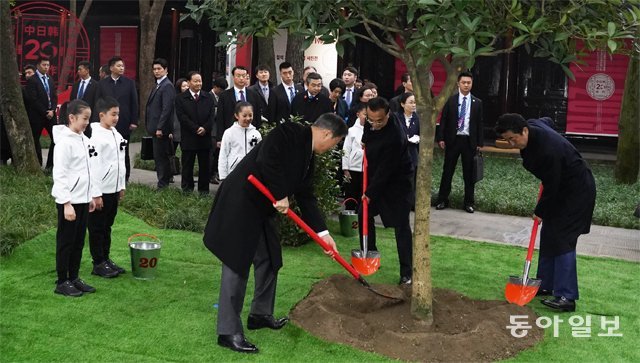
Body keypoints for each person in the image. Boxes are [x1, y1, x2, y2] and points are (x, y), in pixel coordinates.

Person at [203, 113, 347, 353]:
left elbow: (306, 195)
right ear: (326, 134)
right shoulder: (290, 132)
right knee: (236, 264)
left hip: (263, 210)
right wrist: (280, 193)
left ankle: (260, 314)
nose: (334, 147)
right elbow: (267, 158)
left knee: (270, 259)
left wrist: (323, 234)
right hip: (242, 202)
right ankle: (228, 332)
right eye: (335, 142)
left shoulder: (309, 157)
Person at [495, 114, 596, 312]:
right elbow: (547, 120)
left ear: (524, 131)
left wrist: (539, 211)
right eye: (507, 140)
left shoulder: (548, 151)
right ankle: (546, 284)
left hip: (576, 192)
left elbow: (552, 185)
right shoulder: (533, 125)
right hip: (561, 188)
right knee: (549, 235)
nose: (511, 143)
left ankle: (566, 296)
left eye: (512, 139)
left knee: (563, 239)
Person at [360, 97, 413, 285]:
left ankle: (407, 273)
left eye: (379, 120)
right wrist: (365, 141)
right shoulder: (371, 121)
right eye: (371, 119)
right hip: (377, 178)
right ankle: (370, 255)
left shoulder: (395, 137)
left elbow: (386, 170)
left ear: (388, 115)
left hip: (397, 183)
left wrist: (369, 192)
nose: (374, 124)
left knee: (401, 226)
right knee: (363, 214)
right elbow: (368, 132)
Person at [51, 99, 99, 297]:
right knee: (66, 241)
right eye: (84, 119)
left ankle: (74, 276)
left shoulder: (85, 140)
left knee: (79, 241)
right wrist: (66, 203)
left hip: (82, 200)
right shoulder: (64, 143)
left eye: (89, 118)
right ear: (71, 118)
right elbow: (60, 174)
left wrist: (90, 197)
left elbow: (88, 171)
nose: (87, 122)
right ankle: (62, 281)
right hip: (69, 202)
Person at [88, 96, 127, 278]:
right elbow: (93, 167)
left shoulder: (116, 133)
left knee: (107, 226)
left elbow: (121, 162)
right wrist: (96, 194)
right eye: (113, 114)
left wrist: (121, 185)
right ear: (102, 115)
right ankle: (98, 262)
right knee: (97, 227)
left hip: (113, 188)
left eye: (118, 114)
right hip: (100, 190)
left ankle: (106, 258)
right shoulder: (95, 135)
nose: (116, 118)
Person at [435, 71, 483, 213]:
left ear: (472, 84)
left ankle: (469, 203)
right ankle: (442, 200)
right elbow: (443, 120)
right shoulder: (451, 100)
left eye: (469, 83)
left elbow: (479, 123)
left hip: (469, 141)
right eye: (464, 82)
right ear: (458, 83)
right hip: (453, 140)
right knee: (447, 171)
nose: (466, 85)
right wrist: (441, 138)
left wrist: (480, 142)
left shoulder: (477, 102)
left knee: (469, 174)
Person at [95, 56, 139, 182]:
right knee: (105, 150)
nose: (121, 68)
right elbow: (97, 103)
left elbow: (134, 103)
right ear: (111, 68)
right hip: (105, 124)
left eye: (123, 66)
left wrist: (134, 121)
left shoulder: (129, 83)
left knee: (123, 150)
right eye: (119, 66)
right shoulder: (102, 84)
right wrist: (96, 121)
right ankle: (106, 174)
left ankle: (124, 177)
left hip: (124, 121)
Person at [175, 71, 215, 194]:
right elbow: (182, 117)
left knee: (204, 166)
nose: (199, 83)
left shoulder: (208, 97)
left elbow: (211, 116)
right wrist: (196, 128)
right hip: (189, 137)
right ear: (188, 82)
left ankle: (204, 190)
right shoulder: (181, 98)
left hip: (205, 137)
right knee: (187, 165)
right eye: (195, 81)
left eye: (200, 81)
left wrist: (205, 128)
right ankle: (187, 190)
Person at [145, 58, 176, 189]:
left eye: (159, 69)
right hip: (154, 127)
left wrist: (160, 127)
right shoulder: (158, 84)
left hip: (161, 129)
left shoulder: (167, 85)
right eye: (155, 69)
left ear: (166, 70)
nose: (156, 71)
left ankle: (163, 184)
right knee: (158, 156)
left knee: (161, 157)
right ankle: (163, 181)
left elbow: (167, 109)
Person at [215, 66, 263, 143]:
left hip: (250, 135)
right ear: (233, 77)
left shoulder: (254, 95)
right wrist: (219, 138)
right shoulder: (224, 95)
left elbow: (257, 116)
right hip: (230, 135)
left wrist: (257, 133)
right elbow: (220, 118)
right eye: (238, 76)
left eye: (244, 76)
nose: (241, 78)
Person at [25, 56, 57, 168]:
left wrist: (52, 110)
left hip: (51, 115)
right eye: (44, 65)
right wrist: (45, 112)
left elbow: (54, 96)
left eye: (48, 65)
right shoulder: (32, 80)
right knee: (35, 139)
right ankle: (37, 165)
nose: (46, 67)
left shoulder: (50, 79)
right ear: (38, 65)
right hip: (38, 115)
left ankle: (50, 165)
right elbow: (33, 100)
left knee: (56, 139)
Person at [218, 102, 262, 181]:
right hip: (234, 172)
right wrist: (223, 176)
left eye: (250, 115)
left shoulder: (256, 134)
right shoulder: (229, 133)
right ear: (236, 116)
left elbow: (260, 155)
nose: (248, 118)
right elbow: (223, 154)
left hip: (252, 174)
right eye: (244, 116)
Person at [341, 103, 366, 211]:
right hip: (353, 168)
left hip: (366, 169)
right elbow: (346, 150)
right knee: (351, 194)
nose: (367, 117)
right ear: (358, 114)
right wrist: (345, 168)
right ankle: (350, 222)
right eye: (365, 114)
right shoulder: (351, 131)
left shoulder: (373, 129)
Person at [396, 92, 420, 206]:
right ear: (402, 104)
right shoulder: (396, 117)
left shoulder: (418, 118)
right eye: (411, 102)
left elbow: (423, 134)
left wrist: (418, 138)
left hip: (412, 153)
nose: (413, 105)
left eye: (415, 102)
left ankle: (411, 202)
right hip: (399, 153)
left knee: (412, 180)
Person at [209, 76, 228, 184]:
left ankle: (216, 173)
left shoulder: (223, 97)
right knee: (212, 154)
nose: (222, 92)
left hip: (221, 130)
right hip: (212, 131)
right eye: (220, 89)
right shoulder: (208, 96)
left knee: (219, 154)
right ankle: (211, 174)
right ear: (215, 87)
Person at [171, 77, 189, 151]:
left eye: (187, 86)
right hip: (176, 129)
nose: (186, 88)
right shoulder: (175, 99)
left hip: (187, 130)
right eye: (183, 86)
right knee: (172, 151)